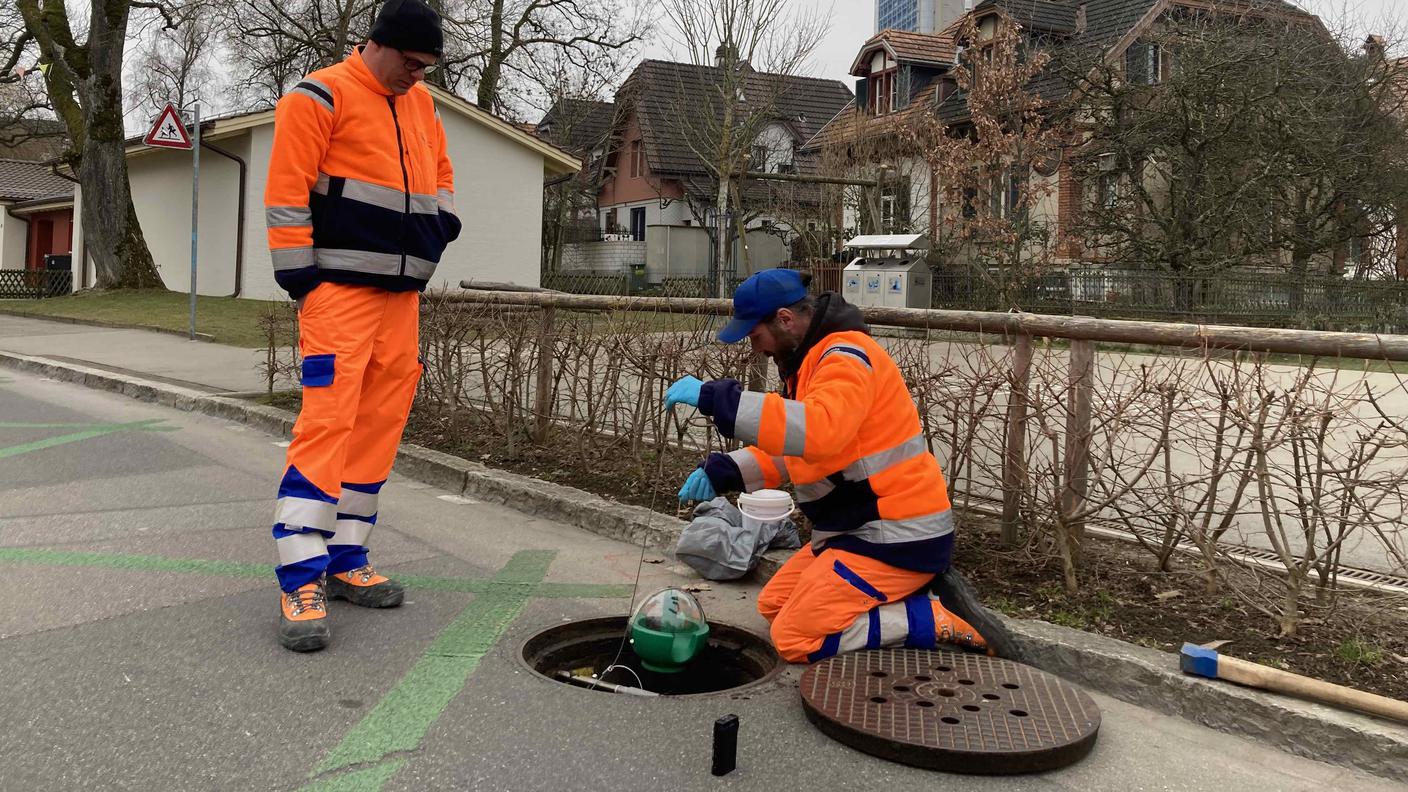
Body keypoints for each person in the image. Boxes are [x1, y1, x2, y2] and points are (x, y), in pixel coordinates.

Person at [666, 269, 1013, 663]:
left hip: (895, 537)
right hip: (855, 531)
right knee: (774, 605)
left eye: (755, 335)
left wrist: (718, 399)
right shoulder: (808, 363)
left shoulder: (844, 357)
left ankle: (931, 617)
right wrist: (723, 471)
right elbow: (800, 448)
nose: (754, 346)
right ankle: (896, 599)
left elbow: (819, 431)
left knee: (795, 638)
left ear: (784, 319)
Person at [264, 0, 460, 652]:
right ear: (378, 44)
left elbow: (441, 179)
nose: (418, 76)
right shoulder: (316, 97)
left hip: (400, 300)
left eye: (427, 66)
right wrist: (305, 285)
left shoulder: (421, 103)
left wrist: (439, 233)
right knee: (327, 424)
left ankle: (347, 561)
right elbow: (286, 196)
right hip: (338, 296)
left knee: (378, 427)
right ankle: (300, 578)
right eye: (411, 63)